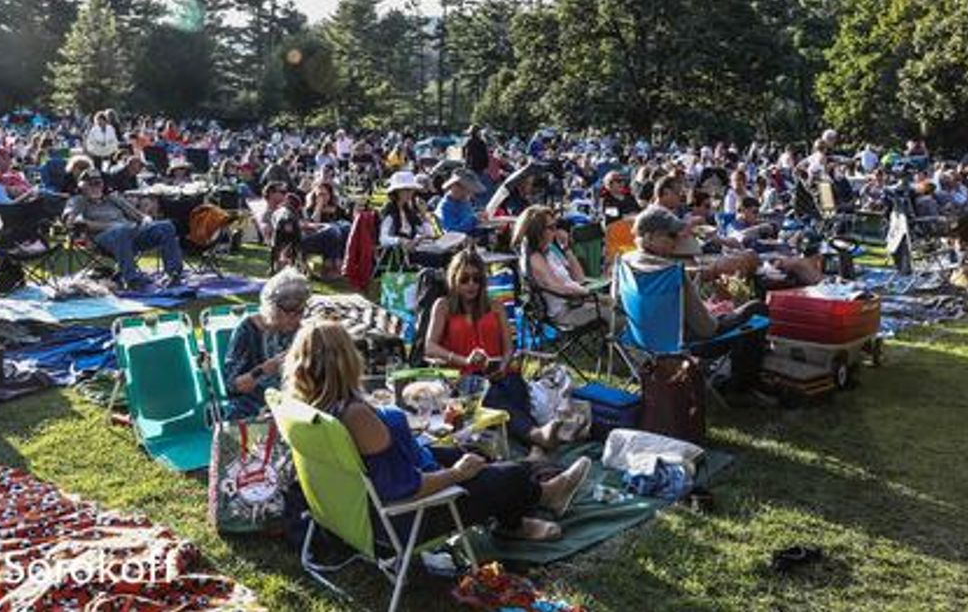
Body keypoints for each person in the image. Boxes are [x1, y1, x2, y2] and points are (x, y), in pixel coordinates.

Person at [284, 318, 591, 541]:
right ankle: (541, 498)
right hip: (407, 520)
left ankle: (519, 507)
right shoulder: (356, 416)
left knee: (477, 453)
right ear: (346, 361)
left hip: (357, 509)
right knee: (506, 474)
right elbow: (403, 490)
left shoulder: (308, 408)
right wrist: (457, 474)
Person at [425, 250, 566, 450]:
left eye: (476, 279)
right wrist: (463, 360)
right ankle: (536, 437)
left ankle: (535, 444)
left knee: (514, 386)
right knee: (490, 394)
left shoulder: (496, 306)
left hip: (499, 372)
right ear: (453, 280)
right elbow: (429, 347)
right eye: (464, 279)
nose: (471, 284)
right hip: (463, 378)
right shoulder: (443, 306)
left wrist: (504, 363)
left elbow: (509, 347)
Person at [615, 207, 764, 389]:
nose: (677, 241)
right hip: (682, 344)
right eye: (671, 236)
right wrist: (717, 314)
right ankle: (741, 385)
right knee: (756, 309)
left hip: (640, 339)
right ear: (650, 237)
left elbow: (618, 303)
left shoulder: (625, 261)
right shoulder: (672, 273)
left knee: (725, 308)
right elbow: (707, 329)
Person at [63, 169, 184, 288]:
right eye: (91, 183)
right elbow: (72, 221)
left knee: (166, 226)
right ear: (82, 186)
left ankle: (173, 274)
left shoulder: (112, 198)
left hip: (131, 234)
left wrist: (146, 220)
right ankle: (132, 279)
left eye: (98, 183)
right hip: (102, 239)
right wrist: (109, 226)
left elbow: (138, 216)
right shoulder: (78, 200)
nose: (95, 186)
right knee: (121, 231)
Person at [222, 267, 309, 418]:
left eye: (300, 311)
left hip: (297, 401)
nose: (296, 318)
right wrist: (266, 369)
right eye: (289, 312)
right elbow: (232, 386)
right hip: (254, 404)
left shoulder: (304, 328)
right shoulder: (248, 330)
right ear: (272, 307)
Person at [512, 205, 612, 329]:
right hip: (564, 312)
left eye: (556, 226)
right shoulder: (534, 259)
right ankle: (620, 346)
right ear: (537, 231)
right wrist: (590, 295)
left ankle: (614, 345)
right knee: (615, 315)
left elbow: (579, 278)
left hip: (575, 302)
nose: (556, 231)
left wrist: (566, 248)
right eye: (551, 227)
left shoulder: (549, 250)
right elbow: (557, 287)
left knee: (619, 306)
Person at [437, 171, 484, 236]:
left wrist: (477, 213)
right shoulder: (445, 207)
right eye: (467, 190)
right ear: (455, 187)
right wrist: (474, 219)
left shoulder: (463, 201)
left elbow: (466, 215)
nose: (469, 194)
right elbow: (451, 231)